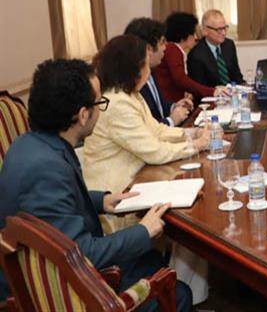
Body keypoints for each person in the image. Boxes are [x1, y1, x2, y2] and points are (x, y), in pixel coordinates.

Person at [0, 59, 192, 310]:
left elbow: (52, 210)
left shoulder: (29, 144)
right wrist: (143, 231)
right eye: (99, 103)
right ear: (83, 115)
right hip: (56, 291)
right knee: (179, 293)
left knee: (150, 258)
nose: (101, 110)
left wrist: (102, 200)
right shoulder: (46, 169)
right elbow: (82, 254)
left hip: (51, 267)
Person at [83, 35, 210, 230]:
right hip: (116, 196)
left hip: (140, 180)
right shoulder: (117, 103)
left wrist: (192, 133)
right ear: (135, 68)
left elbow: (156, 130)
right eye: (146, 62)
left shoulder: (130, 94)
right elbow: (154, 151)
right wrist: (196, 145)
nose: (150, 69)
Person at [124, 17, 193, 126]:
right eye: (162, 43)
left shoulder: (151, 71)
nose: (165, 48)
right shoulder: (132, 81)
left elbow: (159, 105)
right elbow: (145, 126)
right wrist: (171, 120)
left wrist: (174, 106)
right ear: (149, 49)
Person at [156, 12, 228, 102]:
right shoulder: (172, 50)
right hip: (169, 103)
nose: (196, 37)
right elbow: (181, 79)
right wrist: (212, 91)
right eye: (194, 33)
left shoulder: (176, 49)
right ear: (185, 35)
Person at [187, 9, 244, 88]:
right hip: (212, 94)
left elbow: (237, 76)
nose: (224, 33)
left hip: (233, 92)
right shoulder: (196, 55)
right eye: (219, 29)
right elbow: (199, 89)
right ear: (205, 31)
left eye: (225, 28)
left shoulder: (229, 45)